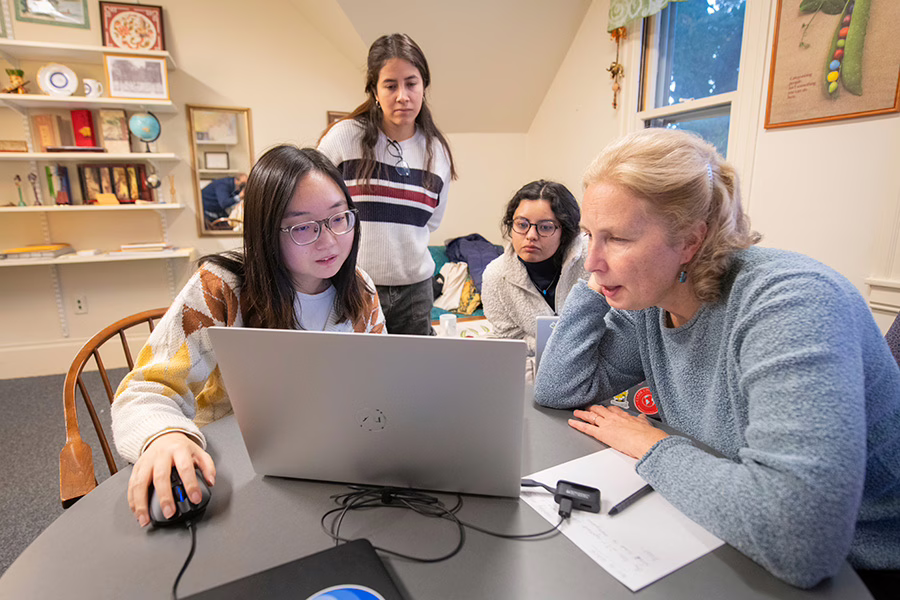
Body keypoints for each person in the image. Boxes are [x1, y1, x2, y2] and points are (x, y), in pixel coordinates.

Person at [533, 128, 900, 596]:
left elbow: (801, 541)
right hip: (736, 532)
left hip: (861, 567)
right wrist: (595, 283)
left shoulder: (791, 304)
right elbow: (560, 387)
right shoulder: (653, 298)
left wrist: (651, 446)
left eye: (618, 238)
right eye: (589, 236)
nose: (592, 261)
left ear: (691, 241)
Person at [112, 146, 386, 527]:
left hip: (335, 464)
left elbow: (377, 384)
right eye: (303, 226)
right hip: (238, 467)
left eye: (339, 218)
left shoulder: (360, 289)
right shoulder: (221, 289)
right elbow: (144, 389)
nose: (329, 241)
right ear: (265, 232)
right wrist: (164, 436)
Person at [318, 33, 456, 335]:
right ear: (374, 91)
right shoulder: (344, 138)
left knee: (413, 376)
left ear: (424, 86)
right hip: (351, 286)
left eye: (411, 83)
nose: (402, 96)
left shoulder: (438, 152)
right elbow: (313, 207)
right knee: (354, 374)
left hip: (416, 293)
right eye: (390, 85)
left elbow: (431, 223)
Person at [481, 180, 587, 381]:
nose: (530, 236)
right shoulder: (496, 276)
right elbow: (509, 347)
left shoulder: (591, 261)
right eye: (521, 225)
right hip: (532, 378)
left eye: (545, 227)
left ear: (565, 231)